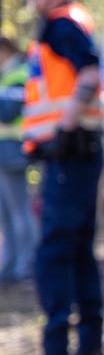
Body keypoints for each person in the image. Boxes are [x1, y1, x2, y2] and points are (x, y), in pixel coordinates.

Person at [9, 0, 104, 355]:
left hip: (70, 154)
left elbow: (89, 73)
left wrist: (64, 130)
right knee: (80, 251)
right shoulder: (73, 20)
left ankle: (55, 354)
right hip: (77, 155)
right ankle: (89, 348)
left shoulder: (62, 23)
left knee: (53, 251)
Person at [0, 36, 36, 286]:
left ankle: (26, 264)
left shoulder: (20, 72)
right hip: (4, 149)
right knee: (6, 214)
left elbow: (9, 112)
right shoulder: (6, 74)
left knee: (20, 210)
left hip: (15, 150)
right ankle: (11, 264)